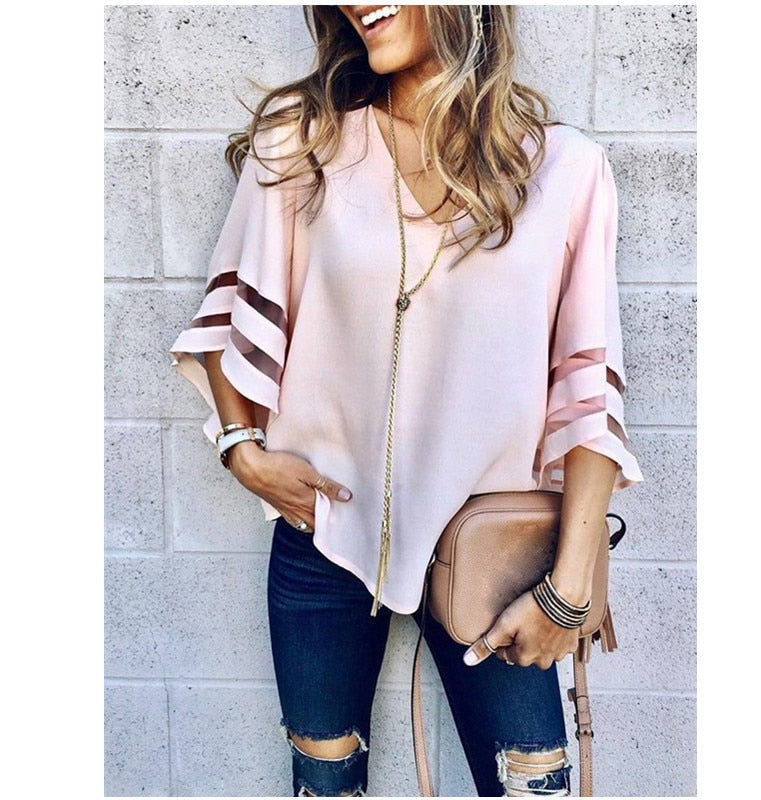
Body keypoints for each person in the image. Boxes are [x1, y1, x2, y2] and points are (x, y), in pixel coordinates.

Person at [170, 5, 642, 796]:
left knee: (531, 783)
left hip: (491, 554)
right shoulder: (304, 143)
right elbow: (230, 315)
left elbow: (587, 389)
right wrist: (240, 450)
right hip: (322, 534)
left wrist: (568, 588)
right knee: (324, 781)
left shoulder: (566, 170)